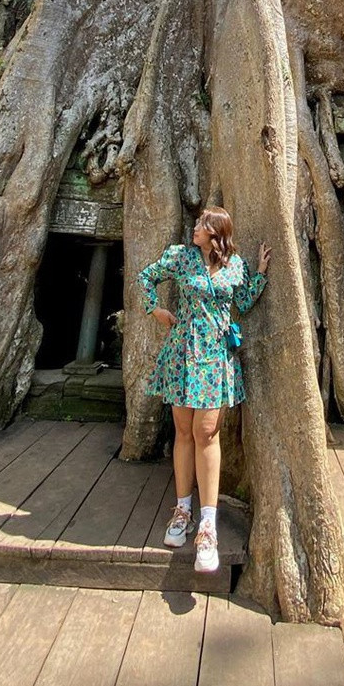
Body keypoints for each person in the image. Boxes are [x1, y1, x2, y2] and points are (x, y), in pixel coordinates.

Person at [137, 206, 270, 574]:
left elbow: (241, 303)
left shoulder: (235, 265)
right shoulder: (181, 258)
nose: (195, 228)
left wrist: (259, 274)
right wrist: (156, 311)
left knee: (206, 432)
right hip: (182, 352)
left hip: (215, 357)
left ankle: (207, 526)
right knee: (183, 431)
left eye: (202, 225)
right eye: (197, 224)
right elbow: (145, 278)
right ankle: (182, 511)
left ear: (217, 235)